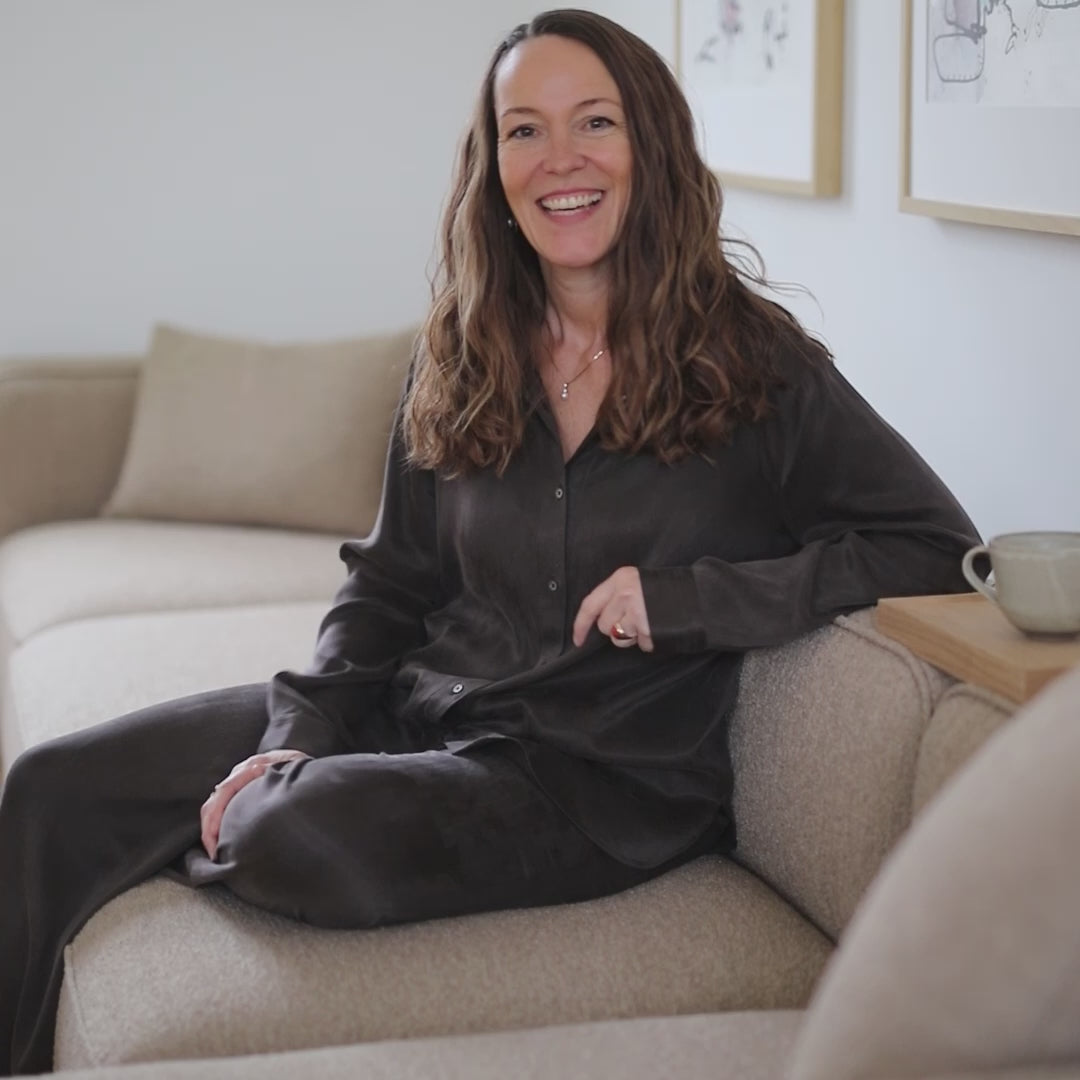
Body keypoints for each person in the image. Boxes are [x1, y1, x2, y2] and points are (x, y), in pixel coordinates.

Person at [0, 9, 979, 1075]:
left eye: (594, 122)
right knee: (51, 787)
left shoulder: (757, 364)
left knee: (283, 829)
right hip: (419, 707)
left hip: (586, 785)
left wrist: (691, 599)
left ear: (649, 143)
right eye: (525, 130)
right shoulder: (463, 347)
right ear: (493, 165)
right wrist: (306, 727)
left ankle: (240, 820)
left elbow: (936, 544)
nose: (560, 159)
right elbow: (390, 582)